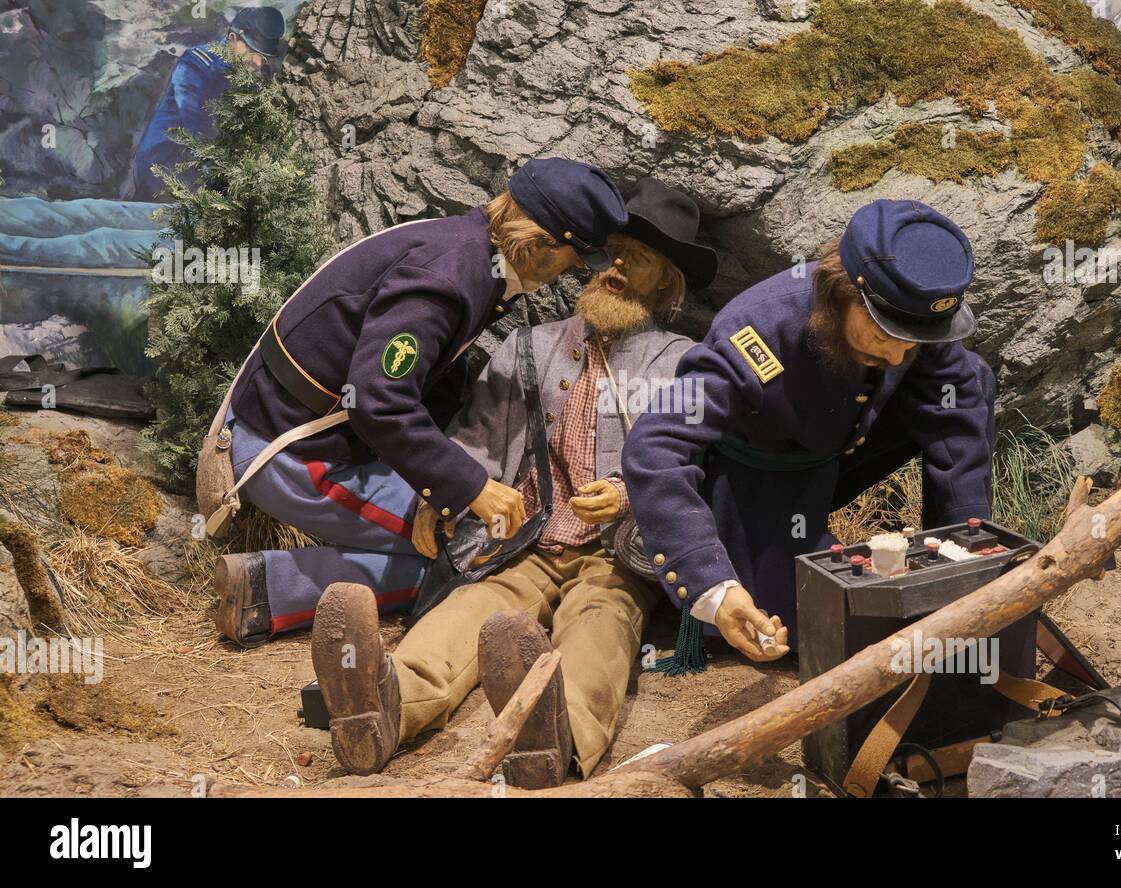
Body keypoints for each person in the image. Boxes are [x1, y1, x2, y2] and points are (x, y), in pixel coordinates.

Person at [309, 178, 716, 785]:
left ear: (667, 283)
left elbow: (697, 462)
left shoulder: (683, 362)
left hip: (616, 553)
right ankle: (382, 704)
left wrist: (629, 495)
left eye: (644, 259)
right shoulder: (528, 347)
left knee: (601, 623)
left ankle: (558, 734)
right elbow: (476, 438)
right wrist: (441, 494)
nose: (621, 266)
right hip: (524, 538)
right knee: (477, 607)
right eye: (617, 251)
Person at [208, 158, 627, 646]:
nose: (569, 275)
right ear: (537, 245)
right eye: (571, 260)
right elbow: (377, 402)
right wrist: (465, 487)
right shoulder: (446, 279)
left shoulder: (469, 250)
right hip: (293, 455)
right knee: (481, 548)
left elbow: (430, 380)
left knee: (470, 533)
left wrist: (439, 487)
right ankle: (268, 593)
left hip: (320, 437)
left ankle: (264, 584)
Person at [622, 199, 997, 664]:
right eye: (883, 336)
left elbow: (956, 409)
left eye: (912, 341)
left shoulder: (910, 315)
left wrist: (969, 551)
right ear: (842, 293)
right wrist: (711, 586)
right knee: (821, 631)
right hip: (756, 477)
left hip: (837, 453)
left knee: (969, 380)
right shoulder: (756, 331)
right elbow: (654, 446)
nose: (898, 358)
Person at [125, 6, 286, 201]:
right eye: (252, 52)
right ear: (233, 39)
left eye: (263, 57)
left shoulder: (254, 73)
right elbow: (199, 128)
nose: (258, 63)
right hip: (164, 166)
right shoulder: (198, 64)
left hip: (207, 168)